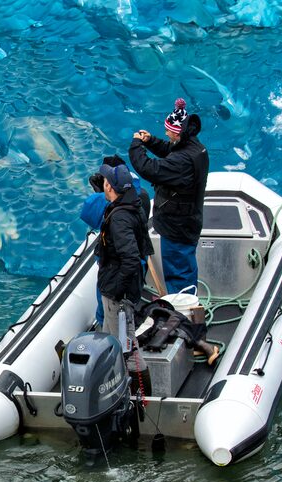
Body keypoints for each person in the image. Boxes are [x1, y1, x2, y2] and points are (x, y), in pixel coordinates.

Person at [128, 98, 208, 294]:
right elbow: (172, 150)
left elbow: (148, 168)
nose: (165, 133)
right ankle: (185, 304)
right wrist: (151, 141)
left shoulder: (182, 162)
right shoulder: (194, 147)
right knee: (186, 268)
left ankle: (181, 314)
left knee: (178, 274)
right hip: (188, 221)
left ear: (178, 132)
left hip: (177, 227)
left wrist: (137, 145)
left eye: (168, 131)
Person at [95, 163, 153, 392]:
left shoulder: (119, 218)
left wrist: (117, 290)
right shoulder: (133, 204)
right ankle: (116, 389)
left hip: (118, 293)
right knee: (115, 340)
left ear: (109, 186)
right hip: (120, 288)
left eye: (105, 180)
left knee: (128, 347)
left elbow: (129, 258)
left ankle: (142, 397)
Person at [80, 154, 151, 326]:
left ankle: (105, 328)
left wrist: (116, 289)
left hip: (114, 271)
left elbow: (88, 213)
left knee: (110, 315)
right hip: (138, 263)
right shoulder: (138, 196)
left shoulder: (117, 213)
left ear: (110, 185)